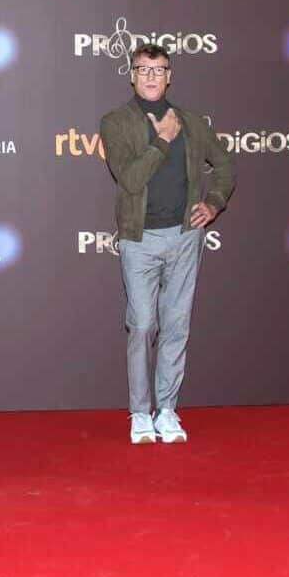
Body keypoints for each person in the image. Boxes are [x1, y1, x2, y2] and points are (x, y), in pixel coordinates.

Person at [98, 43, 235, 445]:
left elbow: (225, 165)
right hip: (139, 240)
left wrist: (213, 202)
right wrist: (161, 141)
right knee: (142, 324)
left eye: (159, 70)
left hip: (185, 237)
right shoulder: (115, 122)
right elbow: (130, 179)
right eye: (143, 69)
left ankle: (168, 409)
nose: (152, 77)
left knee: (176, 325)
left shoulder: (191, 122)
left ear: (170, 75)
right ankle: (140, 412)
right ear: (131, 75)